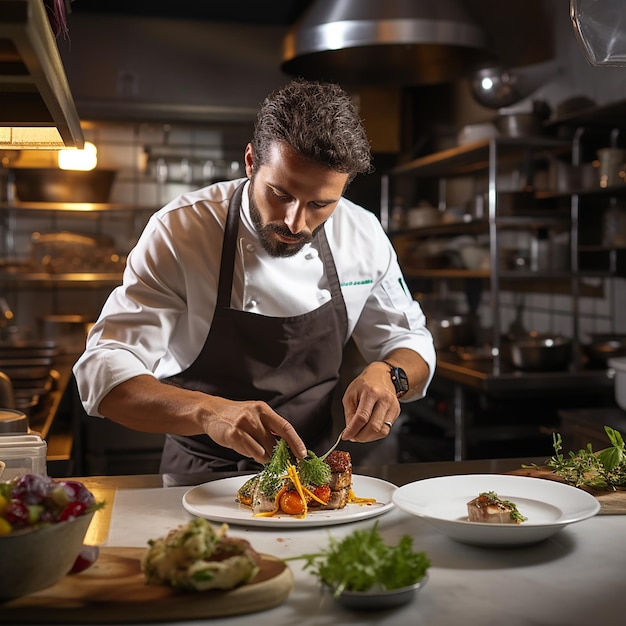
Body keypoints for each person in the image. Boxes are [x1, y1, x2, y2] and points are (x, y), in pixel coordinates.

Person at [73, 79, 436, 474]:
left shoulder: (362, 234)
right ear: (250, 162)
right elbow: (104, 373)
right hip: (198, 473)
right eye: (280, 194)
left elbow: (409, 340)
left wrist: (388, 374)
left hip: (312, 474)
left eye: (320, 204)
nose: (295, 222)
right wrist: (207, 411)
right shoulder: (182, 231)